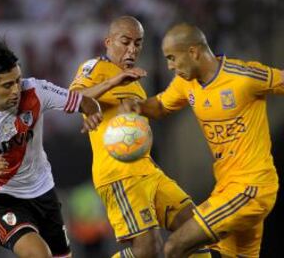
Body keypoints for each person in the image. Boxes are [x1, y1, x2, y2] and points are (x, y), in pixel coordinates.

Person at [0, 26, 102, 258]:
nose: (16, 90)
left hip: (42, 190)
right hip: (0, 195)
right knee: (38, 255)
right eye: (7, 85)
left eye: (17, 80)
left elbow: (85, 102)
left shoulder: (36, 90)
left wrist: (92, 113)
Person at [121, 22, 284, 258]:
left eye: (172, 58)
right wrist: (137, 106)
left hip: (252, 187)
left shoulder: (244, 77)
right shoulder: (186, 84)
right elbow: (160, 106)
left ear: (193, 52)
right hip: (226, 188)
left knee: (175, 246)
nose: (170, 66)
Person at [70, 16, 211, 258]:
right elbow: (73, 100)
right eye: (125, 42)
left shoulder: (136, 84)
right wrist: (115, 80)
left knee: (195, 232)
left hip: (148, 171)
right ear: (108, 41)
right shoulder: (94, 67)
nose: (132, 49)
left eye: (138, 43)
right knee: (148, 251)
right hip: (119, 174)